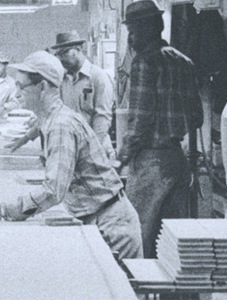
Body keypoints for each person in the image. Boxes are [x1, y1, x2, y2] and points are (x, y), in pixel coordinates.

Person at [0, 51, 143, 260]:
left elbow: (53, 190)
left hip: (112, 225)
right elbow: (40, 128)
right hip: (96, 215)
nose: (16, 93)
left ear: (43, 87)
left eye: (22, 87)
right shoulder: (52, 118)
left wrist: (4, 210)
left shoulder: (61, 126)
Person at [117, 0, 203, 259]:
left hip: (151, 163)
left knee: (137, 236)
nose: (130, 38)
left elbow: (139, 122)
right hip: (177, 160)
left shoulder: (144, 62)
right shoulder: (184, 62)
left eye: (132, 31)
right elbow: (197, 118)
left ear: (148, 28)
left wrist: (120, 157)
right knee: (172, 242)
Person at [7, 31, 115, 160]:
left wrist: (91, 152)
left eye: (64, 53)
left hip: (95, 149)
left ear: (79, 49)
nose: (61, 58)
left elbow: (102, 119)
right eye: (58, 54)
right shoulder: (62, 80)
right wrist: (26, 138)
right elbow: (51, 113)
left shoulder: (98, 77)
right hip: (69, 146)